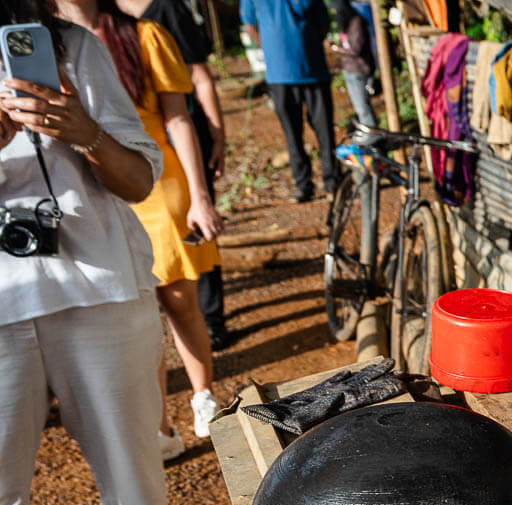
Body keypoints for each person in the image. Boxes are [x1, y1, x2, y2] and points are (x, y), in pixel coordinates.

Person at [1, 0, 196, 505]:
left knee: (132, 469)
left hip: (101, 289)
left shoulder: (72, 48)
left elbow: (140, 180)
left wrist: (84, 131)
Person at [57, 0, 226, 458]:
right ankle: (159, 424)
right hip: (93, 189)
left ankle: (203, 394)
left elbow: (177, 117)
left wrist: (200, 195)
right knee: (136, 313)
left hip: (155, 177)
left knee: (178, 299)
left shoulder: (145, 36)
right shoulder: (45, 43)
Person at [125, 0, 237, 350]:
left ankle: (212, 320)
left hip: (185, 135)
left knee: (198, 231)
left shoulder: (166, 10)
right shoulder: (79, 25)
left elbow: (200, 77)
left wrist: (217, 135)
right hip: (134, 152)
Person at [240, 0, 335, 201]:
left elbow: (323, 22)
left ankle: (332, 181)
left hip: (313, 71)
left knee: (324, 129)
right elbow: (249, 24)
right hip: (280, 74)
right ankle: (303, 184)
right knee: (292, 133)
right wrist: (271, 49)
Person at [332, 0, 375, 127]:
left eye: (336, 10)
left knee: (363, 108)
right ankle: (369, 133)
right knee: (359, 107)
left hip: (359, 69)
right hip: (349, 69)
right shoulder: (345, 24)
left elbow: (356, 48)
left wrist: (336, 48)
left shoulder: (356, 22)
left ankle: (372, 136)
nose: (334, 13)